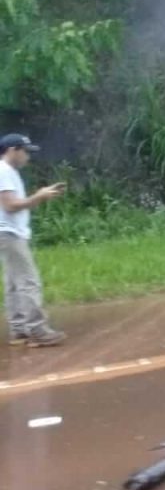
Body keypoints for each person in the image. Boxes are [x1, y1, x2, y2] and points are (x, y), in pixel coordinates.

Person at [0, 134, 67, 347]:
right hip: (9, 233)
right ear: (12, 150)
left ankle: (19, 330)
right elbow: (10, 205)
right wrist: (39, 196)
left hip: (8, 232)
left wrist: (41, 196)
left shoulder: (7, 172)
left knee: (14, 283)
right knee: (29, 281)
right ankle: (37, 330)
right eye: (25, 151)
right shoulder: (3, 171)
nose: (28, 156)